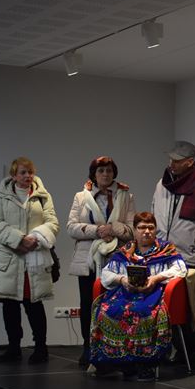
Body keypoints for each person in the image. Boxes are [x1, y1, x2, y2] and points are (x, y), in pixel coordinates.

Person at [90, 212, 187, 381]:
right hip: (126, 293)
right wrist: (122, 279)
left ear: (155, 230)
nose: (146, 231)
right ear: (134, 231)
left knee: (141, 312)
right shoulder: (125, 252)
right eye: (142, 227)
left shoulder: (166, 250)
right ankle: (117, 362)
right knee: (108, 311)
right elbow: (106, 273)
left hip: (153, 293)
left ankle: (145, 364)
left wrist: (156, 278)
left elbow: (180, 268)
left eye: (150, 227)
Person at [151, 140, 195, 368]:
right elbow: (153, 214)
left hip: (190, 256)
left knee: (190, 304)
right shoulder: (163, 183)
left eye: (177, 160)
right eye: (170, 159)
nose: (171, 164)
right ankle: (174, 349)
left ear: (190, 162)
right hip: (161, 254)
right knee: (163, 302)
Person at [0, 157, 59, 363]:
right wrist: (19, 239)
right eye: (23, 173)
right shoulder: (0, 195)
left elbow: (52, 222)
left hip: (35, 256)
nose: (28, 176)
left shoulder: (43, 195)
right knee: (9, 304)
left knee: (34, 304)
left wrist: (36, 238)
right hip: (9, 258)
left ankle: (41, 348)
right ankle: (14, 348)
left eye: (30, 172)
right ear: (14, 175)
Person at [67, 156, 136, 367]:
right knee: (87, 303)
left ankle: (114, 346)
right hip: (88, 259)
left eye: (109, 170)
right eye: (101, 171)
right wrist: (97, 231)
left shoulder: (126, 196)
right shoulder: (81, 196)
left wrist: (113, 228)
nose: (105, 174)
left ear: (114, 173)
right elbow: (71, 227)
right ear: (94, 174)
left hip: (116, 259)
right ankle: (88, 346)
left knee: (115, 304)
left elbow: (132, 230)